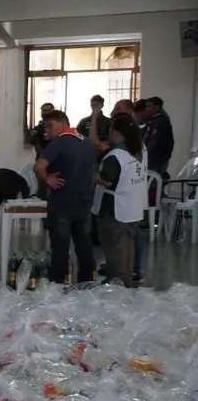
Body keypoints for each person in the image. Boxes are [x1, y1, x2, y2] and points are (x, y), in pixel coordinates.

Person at [34, 108, 96, 283]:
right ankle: (87, 283)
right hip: (84, 201)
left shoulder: (59, 143)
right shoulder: (87, 142)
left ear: (62, 122)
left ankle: (57, 285)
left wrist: (48, 179)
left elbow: (38, 167)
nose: (48, 131)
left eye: (50, 125)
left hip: (62, 202)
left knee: (60, 248)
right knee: (84, 246)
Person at [93, 115, 147, 284]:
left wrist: (91, 174)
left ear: (116, 132)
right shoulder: (139, 151)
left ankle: (117, 286)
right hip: (133, 207)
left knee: (115, 249)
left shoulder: (116, 156)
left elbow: (106, 180)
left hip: (115, 210)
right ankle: (126, 281)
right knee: (127, 249)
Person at [143, 96, 174, 176]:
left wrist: (143, 153)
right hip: (157, 157)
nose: (146, 109)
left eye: (148, 106)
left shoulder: (158, 122)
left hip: (155, 158)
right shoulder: (156, 120)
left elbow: (152, 141)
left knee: (151, 179)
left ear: (156, 107)